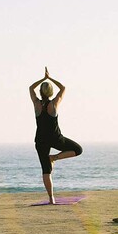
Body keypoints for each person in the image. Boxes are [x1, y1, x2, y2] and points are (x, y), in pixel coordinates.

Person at [29, 67, 83, 203]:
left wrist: (43, 79)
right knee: (78, 150)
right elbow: (63, 88)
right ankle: (55, 157)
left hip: (41, 140)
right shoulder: (54, 104)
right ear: (51, 92)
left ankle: (51, 198)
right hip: (55, 138)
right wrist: (49, 78)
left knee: (46, 170)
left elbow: (30, 88)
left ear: (40, 92)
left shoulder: (36, 103)